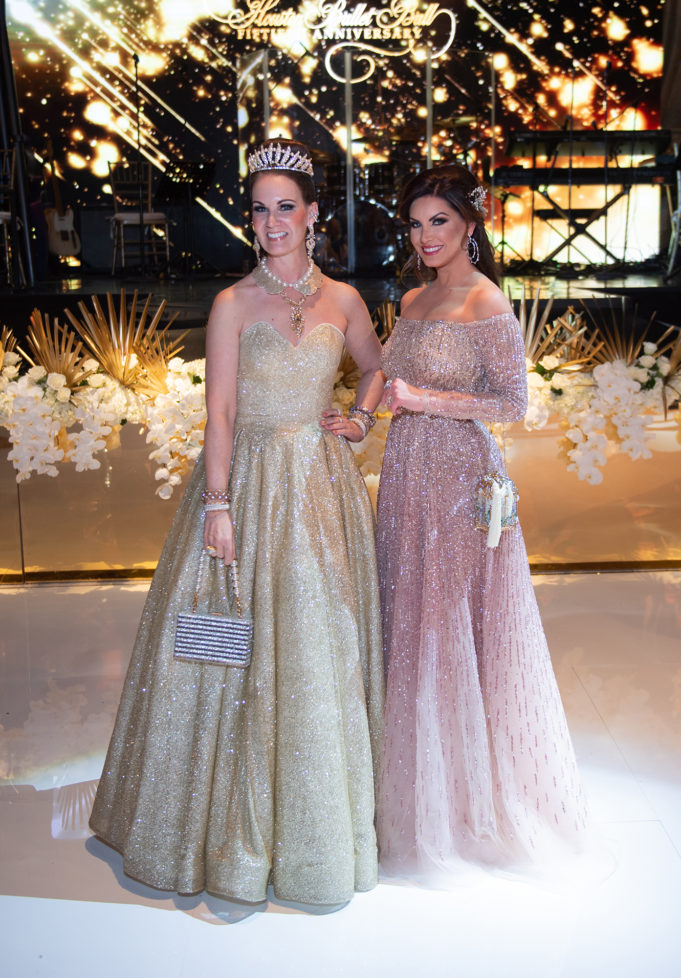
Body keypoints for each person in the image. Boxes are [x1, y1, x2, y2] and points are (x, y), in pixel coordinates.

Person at [90, 139, 385, 907]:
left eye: (285, 206)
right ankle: (217, 832)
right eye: (258, 209)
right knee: (224, 646)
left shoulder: (344, 300)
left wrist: (358, 419)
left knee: (318, 645)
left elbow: (376, 367)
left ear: (314, 213)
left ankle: (314, 826)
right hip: (247, 484)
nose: (270, 221)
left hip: (319, 486)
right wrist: (217, 506)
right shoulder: (232, 303)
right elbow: (219, 412)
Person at [376, 163, 589, 881]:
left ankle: (463, 799)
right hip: (405, 476)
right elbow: (385, 376)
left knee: (449, 628)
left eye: (438, 220)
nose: (425, 235)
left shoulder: (485, 301)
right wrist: (357, 412)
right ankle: (408, 786)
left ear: (469, 225)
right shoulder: (412, 296)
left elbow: (510, 404)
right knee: (407, 623)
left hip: (458, 481)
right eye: (414, 222)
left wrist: (424, 399)